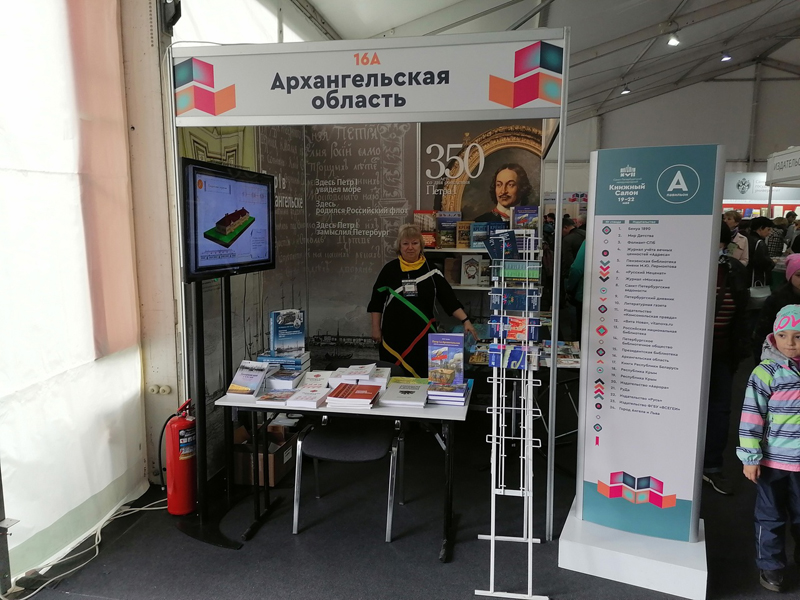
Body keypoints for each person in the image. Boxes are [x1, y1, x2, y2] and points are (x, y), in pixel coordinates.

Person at [737, 304, 800, 593]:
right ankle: (771, 566)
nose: (790, 343)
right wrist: (750, 457)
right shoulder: (765, 373)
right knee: (770, 517)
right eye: (783, 335)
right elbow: (752, 416)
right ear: (774, 337)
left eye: (798, 336)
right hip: (773, 462)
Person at [368, 224, 478, 378]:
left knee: (423, 375)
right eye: (405, 243)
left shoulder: (432, 271)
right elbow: (376, 302)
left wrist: (465, 320)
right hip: (393, 335)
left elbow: (449, 299)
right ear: (399, 246)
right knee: (394, 376)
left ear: (421, 245)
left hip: (423, 334)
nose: (410, 247)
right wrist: (376, 328)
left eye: (414, 243)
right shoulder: (389, 270)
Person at [702, 223, 749, 495]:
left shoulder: (735, 270)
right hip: (685, 356)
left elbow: (742, 312)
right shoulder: (684, 267)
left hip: (722, 353)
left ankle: (711, 466)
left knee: (719, 409)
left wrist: (739, 350)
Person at [752, 253, 800, 358]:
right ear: (789, 276)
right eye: (799, 275)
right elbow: (762, 332)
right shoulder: (776, 299)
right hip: (780, 356)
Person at [747, 216, 775, 287]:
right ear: (760, 228)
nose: (769, 233)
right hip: (757, 277)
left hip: (746, 276)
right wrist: (772, 262)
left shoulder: (746, 238)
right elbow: (764, 263)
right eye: (768, 229)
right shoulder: (759, 243)